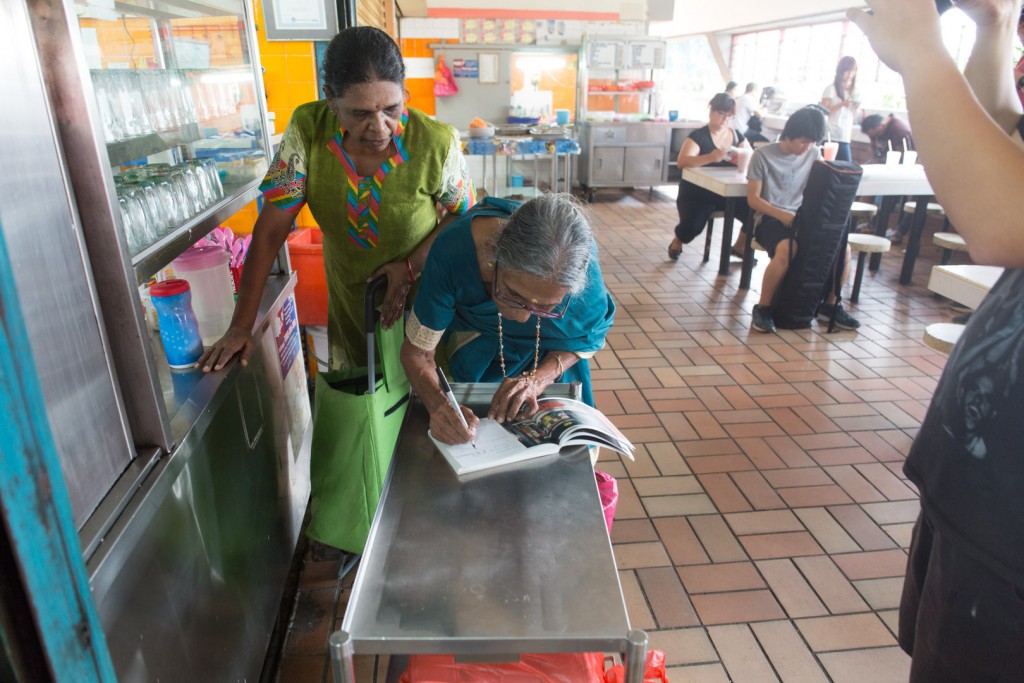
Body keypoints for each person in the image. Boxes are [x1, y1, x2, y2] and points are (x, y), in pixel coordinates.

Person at [849, 0, 1024, 679]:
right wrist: (993, 27)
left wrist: (922, 52)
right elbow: (999, 137)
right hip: (976, 493)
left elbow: (1001, 222)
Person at [197, 26, 475, 373]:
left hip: (424, 302)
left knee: (423, 392)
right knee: (363, 397)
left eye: (392, 108)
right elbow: (270, 230)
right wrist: (241, 326)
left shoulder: (437, 143)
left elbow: (464, 217)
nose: (380, 127)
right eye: (359, 114)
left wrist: (409, 267)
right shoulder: (307, 129)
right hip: (349, 300)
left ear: (405, 93)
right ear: (330, 99)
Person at [400, 194, 615, 445]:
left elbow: (587, 337)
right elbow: (417, 353)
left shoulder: (580, 268)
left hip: (550, 365)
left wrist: (538, 380)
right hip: (475, 361)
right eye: (512, 294)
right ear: (495, 256)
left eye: (546, 308)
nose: (522, 317)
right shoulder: (454, 251)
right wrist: (437, 405)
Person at [748, 106, 860, 334]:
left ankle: (830, 306)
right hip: (770, 218)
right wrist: (783, 215)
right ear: (790, 133)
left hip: (803, 218)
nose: (807, 147)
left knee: (843, 249)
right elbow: (754, 200)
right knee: (787, 248)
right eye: (803, 141)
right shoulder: (762, 155)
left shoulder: (814, 155)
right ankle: (763, 308)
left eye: (812, 142)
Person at [668, 93, 752, 260]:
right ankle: (679, 239)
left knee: (754, 213)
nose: (725, 120)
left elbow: (750, 155)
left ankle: (739, 246)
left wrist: (743, 158)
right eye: (721, 114)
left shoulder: (737, 136)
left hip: (728, 192)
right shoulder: (698, 136)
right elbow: (682, 162)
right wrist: (711, 157)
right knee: (692, 226)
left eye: (729, 116)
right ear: (711, 111)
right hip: (698, 193)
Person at [820, 56, 861, 161]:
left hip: (845, 135)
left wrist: (856, 106)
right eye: (848, 70)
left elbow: (855, 115)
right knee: (828, 166)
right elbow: (824, 110)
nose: (850, 74)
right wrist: (842, 104)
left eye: (853, 71)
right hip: (831, 134)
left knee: (846, 168)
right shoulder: (831, 89)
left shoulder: (855, 91)